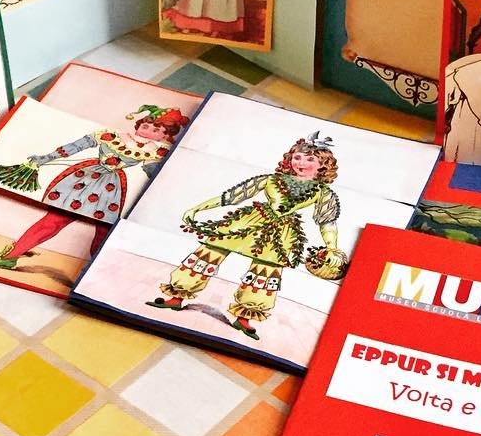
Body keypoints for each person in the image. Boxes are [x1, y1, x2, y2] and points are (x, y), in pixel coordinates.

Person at [148, 132, 346, 341]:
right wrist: (198, 208)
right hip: (248, 222)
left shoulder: (323, 193)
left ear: (323, 165)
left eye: (310, 159)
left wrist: (331, 247)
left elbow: (327, 221)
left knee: (266, 273)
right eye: (297, 157)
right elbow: (233, 196)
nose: (301, 163)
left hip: (280, 234)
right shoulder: (271, 180)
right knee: (208, 253)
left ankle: (244, 318)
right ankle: (176, 297)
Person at [0, 106, 190, 271]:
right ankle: (9, 257)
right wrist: (45, 158)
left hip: (110, 190)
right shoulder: (112, 136)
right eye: (145, 126)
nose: (147, 131)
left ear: (164, 136)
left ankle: (95, 272)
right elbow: (74, 147)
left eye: (156, 130)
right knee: (54, 220)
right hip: (82, 180)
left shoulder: (155, 151)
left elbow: (155, 176)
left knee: (103, 231)